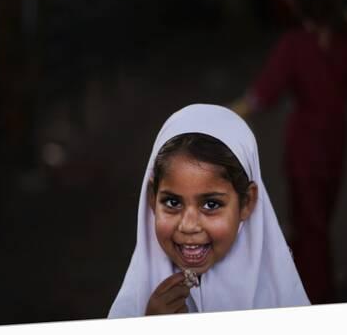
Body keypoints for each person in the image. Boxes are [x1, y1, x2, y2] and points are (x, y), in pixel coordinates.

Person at [229, 0, 347, 304]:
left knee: (310, 228)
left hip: (304, 149)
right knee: (317, 223)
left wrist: (221, 113)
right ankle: (306, 279)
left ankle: (315, 294)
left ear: (302, 3)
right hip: (335, 146)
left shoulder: (294, 45)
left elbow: (259, 97)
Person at [108, 104, 310, 318]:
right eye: (172, 202)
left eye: (211, 205)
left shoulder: (282, 305)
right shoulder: (135, 306)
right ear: (152, 199)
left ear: (246, 202)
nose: (188, 225)